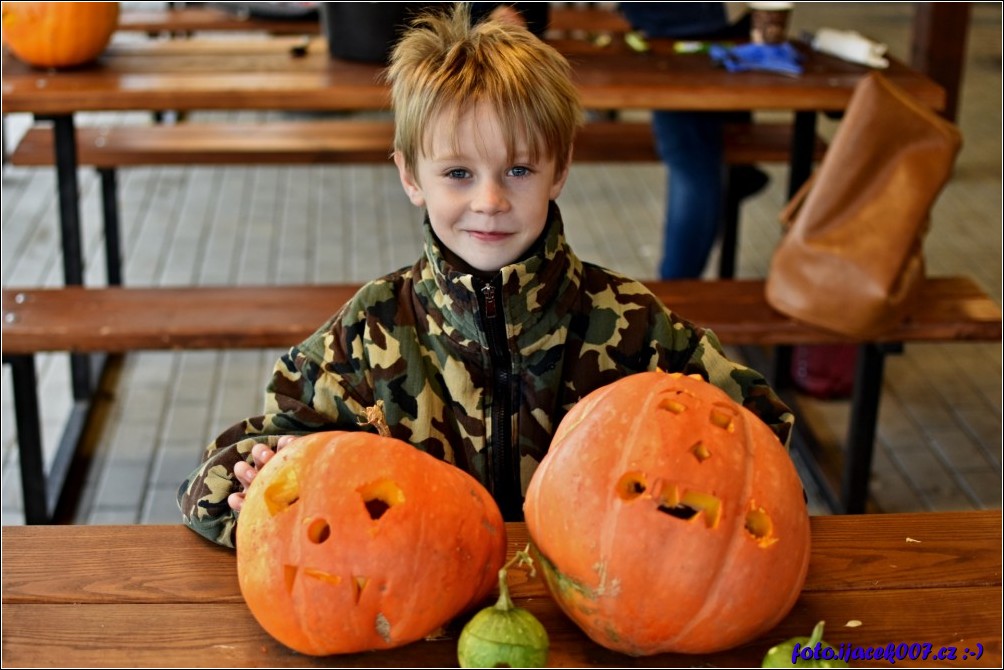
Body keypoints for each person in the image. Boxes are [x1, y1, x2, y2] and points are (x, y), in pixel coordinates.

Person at [177, 3, 794, 548]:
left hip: (589, 616)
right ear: (410, 175)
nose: (491, 200)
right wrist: (251, 481)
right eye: (458, 174)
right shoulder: (365, 336)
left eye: (520, 170)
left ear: (559, 170)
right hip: (420, 616)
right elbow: (222, 473)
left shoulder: (633, 326)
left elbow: (761, 430)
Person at [618, 3, 770, 279]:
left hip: (684, 24)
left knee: (692, 163)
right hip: (713, 20)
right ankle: (740, 175)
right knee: (699, 156)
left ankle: (676, 292)